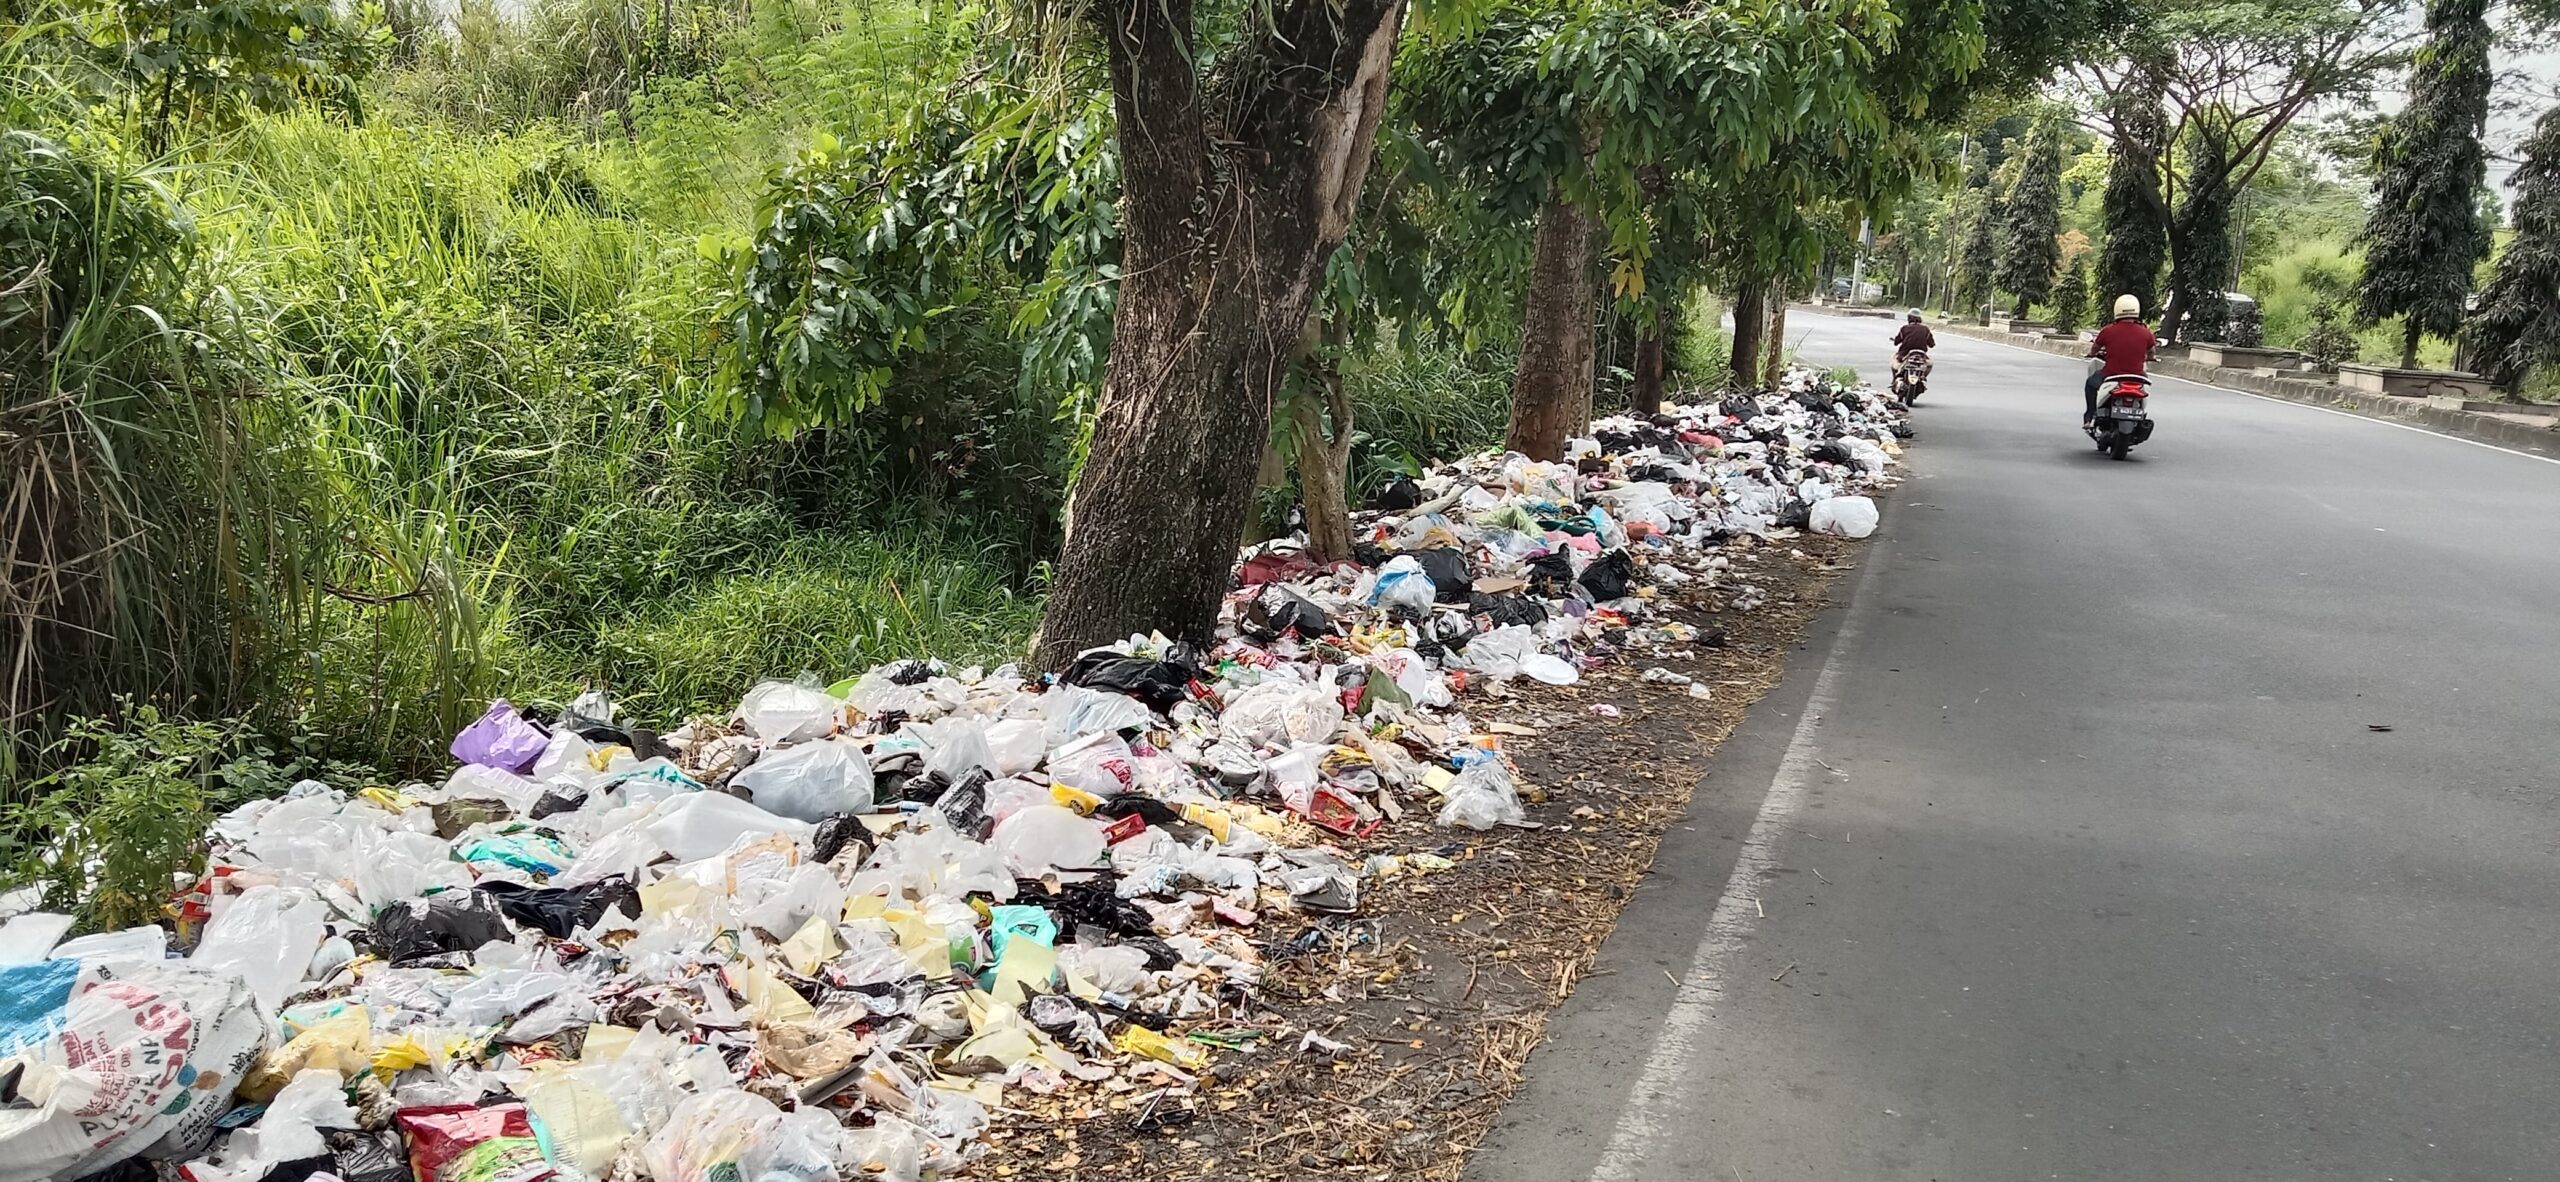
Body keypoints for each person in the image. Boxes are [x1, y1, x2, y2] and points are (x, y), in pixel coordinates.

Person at [2084, 294, 2157, 426]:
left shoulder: (2108, 331)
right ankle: (2139, 413)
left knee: (2090, 384)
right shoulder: (2146, 332)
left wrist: (2091, 354)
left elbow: (2095, 348)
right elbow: (2152, 352)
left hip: (2111, 374)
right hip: (2137, 376)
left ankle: (2090, 417)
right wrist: (2151, 358)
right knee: (2147, 386)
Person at [1889, 309, 1934, 385]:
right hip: (1921, 355)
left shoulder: (1904, 328)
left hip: (1905, 354)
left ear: (1909, 318)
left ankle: (1894, 380)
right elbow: (1931, 344)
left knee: (1894, 361)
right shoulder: (1926, 329)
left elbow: (1896, 342)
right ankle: (1923, 377)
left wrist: (1896, 340)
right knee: (1930, 364)